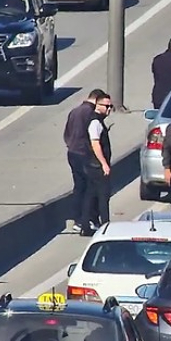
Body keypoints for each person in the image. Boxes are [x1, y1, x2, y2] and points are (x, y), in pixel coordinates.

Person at [64, 89, 106, 232]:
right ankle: (88, 219)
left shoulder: (74, 111)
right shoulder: (90, 115)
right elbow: (92, 137)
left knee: (79, 186)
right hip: (84, 155)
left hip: (72, 152)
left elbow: (67, 133)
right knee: (90, 188)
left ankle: (78, 219)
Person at [83, 93, 113, 235]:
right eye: (106, 106)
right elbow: (95, 144)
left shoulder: (98, 121)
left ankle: (86, 225)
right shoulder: (95, 122)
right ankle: (105, 225)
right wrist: (104, 164)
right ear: (98, 105)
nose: (109, 109)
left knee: (91, 195)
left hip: (92, 165)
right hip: (96, 166)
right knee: (103, 195)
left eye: (110, 106)